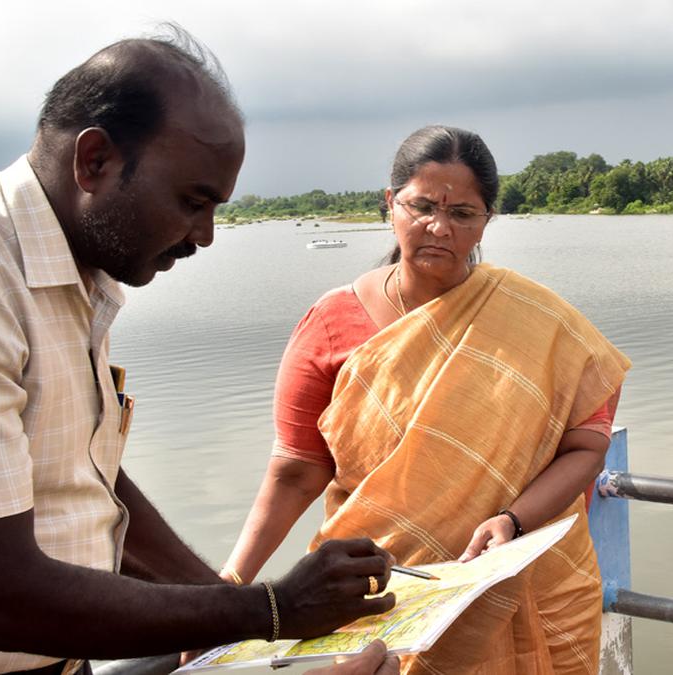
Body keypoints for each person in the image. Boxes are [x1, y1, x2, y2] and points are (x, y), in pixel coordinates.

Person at [0, 28, 398, 675]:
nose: (207, 235)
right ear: (95, 161)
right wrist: (269, 610)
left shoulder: (80, 271)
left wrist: (237, 608)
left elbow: (96, 486)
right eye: (193, 202)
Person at [221, 125, 631, 673]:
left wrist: (512, 519)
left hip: (524, 575)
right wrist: (228, 590)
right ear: (390, 204)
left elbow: (587, 445)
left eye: (463, 214)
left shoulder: (536, 319)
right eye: (421, 207)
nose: (439, 227)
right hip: (380, 590)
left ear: (487, 220)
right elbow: (296, 470)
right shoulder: (332, 324)